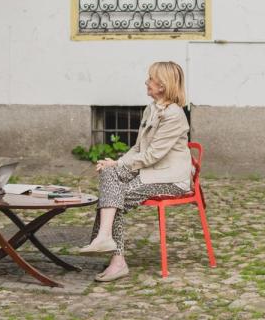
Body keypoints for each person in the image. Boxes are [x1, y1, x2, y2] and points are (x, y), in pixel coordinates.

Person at [78, 61, 193, 282]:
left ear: (163, 85)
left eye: (151, 78)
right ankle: (105, 240)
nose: (146, 82)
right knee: (109, 177)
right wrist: (116, 164)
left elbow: (152, 156)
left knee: (114, 198)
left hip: (170, 178)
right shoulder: (152, 109)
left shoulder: (173, 115)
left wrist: (121, 165)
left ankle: (115, 257)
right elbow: (139, 148)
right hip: (150, 171)